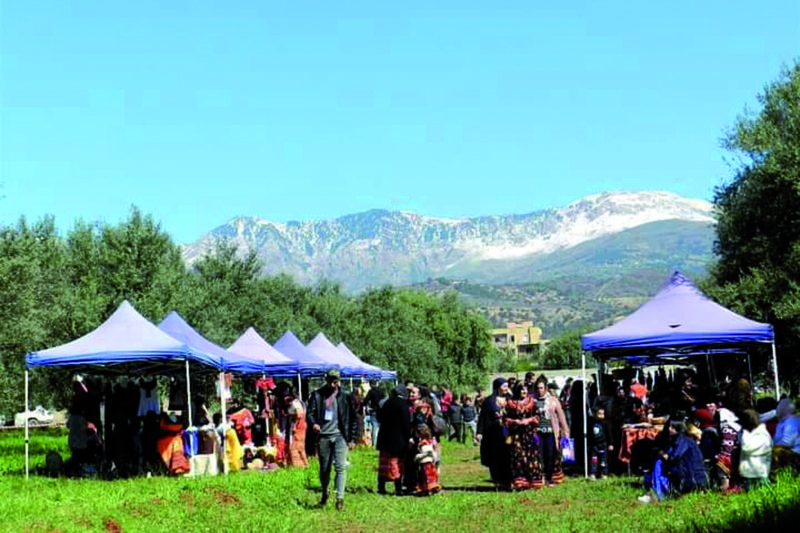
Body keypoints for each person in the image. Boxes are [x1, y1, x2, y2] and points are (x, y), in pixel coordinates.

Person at [307, 369, 358, 511]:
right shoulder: (317, 395)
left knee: (341, 467)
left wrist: (352, 438)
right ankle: (325, 492)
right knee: (325, 468)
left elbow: (353, 418)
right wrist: (313, 424)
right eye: (330, 381)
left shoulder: (345, 396)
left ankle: (340, 498)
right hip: (323, 436)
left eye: (335, 381)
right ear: (326, 380)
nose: (333, 384)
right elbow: (309, 413)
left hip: (340, 436)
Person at [376, 385, 412, 496]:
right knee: (397, 463)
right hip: (398, 439)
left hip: (384, 438)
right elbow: (406, 423)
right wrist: (408, 436)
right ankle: (398, 488)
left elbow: (379, 418)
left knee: (384, 464)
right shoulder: (403, 404)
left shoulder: (386, 403)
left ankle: (381, 487)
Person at [505, 383, 542, 490]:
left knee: (531, 457)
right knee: (518, 456)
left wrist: (529, 420)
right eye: (521, 390)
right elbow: (505, 418)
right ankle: (520, 482)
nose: (524, 392)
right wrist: (514, 421)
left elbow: (538, 416)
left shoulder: (532, 402)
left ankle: (533, 481)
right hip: (516, 435)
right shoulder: (510, 404)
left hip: (529, 434)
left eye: (525, 390)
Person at [477, 378, 512, 486]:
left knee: (508, 455)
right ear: (498, 387)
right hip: (492, 434)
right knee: (495, 456)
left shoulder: (511, 399)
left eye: (507, 386)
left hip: (507, 433)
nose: (506, 388)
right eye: (504, 386)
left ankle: (508, 479)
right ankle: (497, 479)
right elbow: (483, 417)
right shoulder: (489, 401)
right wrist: (479, 432)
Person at [535, 379, 569, 484]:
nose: (539, 390)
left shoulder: (553, 400)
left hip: (550, 432)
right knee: (539, 455)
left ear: (545, 388)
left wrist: (565, 431)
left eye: (541, 388)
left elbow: (561, 416)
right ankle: (541, 477)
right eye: (537, 388)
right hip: (538, 432)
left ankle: (549, 477)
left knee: (550, 455)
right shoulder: (533, 401)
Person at [739, 409, 772, 490]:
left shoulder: (762, 435)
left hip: (759, 474)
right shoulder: (753, 434)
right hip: (749, 473)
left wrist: (745, 433)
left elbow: (746, 448)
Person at [414, 424, 441, 495]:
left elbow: (425, 452)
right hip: (430, 462)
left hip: (426, 462)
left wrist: (417, 457)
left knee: (426, 476)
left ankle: (428, 488)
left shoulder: (424, 443)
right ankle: (428, 488)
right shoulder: (430, 441)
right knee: (429, 476)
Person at [284, 387, 308, 468]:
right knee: (294, 446)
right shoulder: (292, 403)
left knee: (297, 447)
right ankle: (297, 464)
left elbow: (300, 415)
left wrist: (295, 426)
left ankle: (300, 465)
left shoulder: (296, 403)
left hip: (299, 427)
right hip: (296, 425)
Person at [590, 407, 611, 479]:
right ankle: (593, 473)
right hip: (594, 444)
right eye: (599, 414)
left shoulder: (605, 424)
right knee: (594, 459)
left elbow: (609, 434)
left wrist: (610, 443)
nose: (601, 416)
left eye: (603, 414)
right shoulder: (592, 423)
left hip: (602, 444)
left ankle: (603, 473)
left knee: (603, 460)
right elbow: (590, 434)